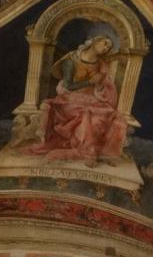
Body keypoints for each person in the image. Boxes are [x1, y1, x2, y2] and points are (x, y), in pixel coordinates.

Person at [26, 35, 127, 163]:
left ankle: (87, 149)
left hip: (91, 99)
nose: (106, 48)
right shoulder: (71, 60)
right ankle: (87, 151)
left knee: (108, 116)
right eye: (105, 43)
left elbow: (106, 87)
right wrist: (90, 82)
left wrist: (100, 86)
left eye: (109, 47)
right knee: (86, 114)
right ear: (94, 42)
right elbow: (68, 86)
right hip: (69, 99)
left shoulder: (101, 65)